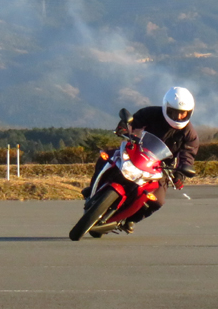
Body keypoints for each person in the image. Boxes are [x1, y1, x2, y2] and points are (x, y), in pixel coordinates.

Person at [85, 86, 200, 232]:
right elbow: (133, 122)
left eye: (183, 113)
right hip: (136, 152)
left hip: (160, 168)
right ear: (166, 107)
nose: (178, 117)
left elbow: (187, 156)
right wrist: (124, 128)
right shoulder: (151, 113)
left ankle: (130, 220)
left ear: (190, 112)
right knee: (105, 158)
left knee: (157, 201)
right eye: (174, 112)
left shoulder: (190, 135)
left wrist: (180, 174)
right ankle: (92, 190)